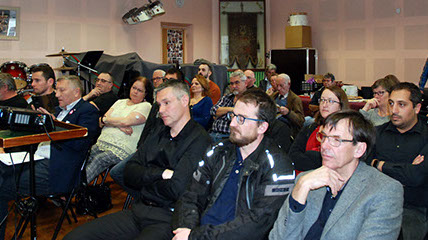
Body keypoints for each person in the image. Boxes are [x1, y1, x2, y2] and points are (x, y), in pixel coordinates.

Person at [64, 80, 212, 240]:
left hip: (168, 218)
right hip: (139, 210)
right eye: (159, 104)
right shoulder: (159, 133)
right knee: (75, 237)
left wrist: (145, 177)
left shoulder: (199, 140)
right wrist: (161, 173)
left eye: (166, 103)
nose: (161, 110)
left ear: (184, 100)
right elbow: (128, 172)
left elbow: (177, 188)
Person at [172, 88, 295, 240]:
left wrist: (196, 236)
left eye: (241, 119)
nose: (232, 123)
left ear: (262, 127)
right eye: (233, 115)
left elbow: (257, 223)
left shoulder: (278, 167)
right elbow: (191, 196)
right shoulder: (217, 151)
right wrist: (186, 229)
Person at [270, 110, 404, 240]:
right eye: (324, 137)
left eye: (336, 140)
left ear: (359, 149)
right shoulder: (306, 180)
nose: (324, 146)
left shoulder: (384, 191)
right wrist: (299, 193)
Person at [0, 75, 99, 239]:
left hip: (58, 171)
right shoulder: (60, 110)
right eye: (57, 90)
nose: (57, 94)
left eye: (61, 90)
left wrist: (53, 127)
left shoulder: (87, 111)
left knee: (2, 187)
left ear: (76, 92)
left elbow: (80, 144)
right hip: (37, 160)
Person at [368, 82, 428, 240]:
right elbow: (363, 169)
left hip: (411, 208)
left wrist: (379, 164)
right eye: (391, 103)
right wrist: (405, 170)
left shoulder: (426, 137)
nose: (393, 110)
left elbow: (415, 176)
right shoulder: (376, 133)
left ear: (417, 108)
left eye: (402, 105)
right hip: (374, 203)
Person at [85, 77, 153, 182]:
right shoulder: (120, 102)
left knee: (99, 159)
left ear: (145, 94)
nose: (135, 92)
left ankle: (75, 188)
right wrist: (119, 125)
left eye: (139, 90)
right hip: (102, 142)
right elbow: (101, 120)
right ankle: (68, 186)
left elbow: (124, 121)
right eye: (134, 88)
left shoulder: (146, 106)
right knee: (85, 156)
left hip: (122, 148)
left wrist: (109, 121)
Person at [290, 86, 349, 172]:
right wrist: (316, 158)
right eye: (322, 100)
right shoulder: (310, 128)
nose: (325, 105)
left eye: (330, 101)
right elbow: (293, 156)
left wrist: (310, 155)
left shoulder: (346, 132)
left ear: (340, 106)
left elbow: (339, 162)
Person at [210, 71, 247, 143]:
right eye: (231, 83)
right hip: (213, 134)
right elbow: (213, 110)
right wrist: (231, 109)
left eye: (237, 83)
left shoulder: (249, 99)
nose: (234, 86)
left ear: (245, 83)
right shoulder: (227, 97)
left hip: (229, 137)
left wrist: (221, 112)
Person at [272, 73, 305, 138]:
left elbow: (300, 121)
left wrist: (288, 113)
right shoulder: (273, 96)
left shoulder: (295, 99)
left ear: (289, 84)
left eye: (281, 85)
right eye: (277, 85)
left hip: (287, 129)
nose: (278, 88)